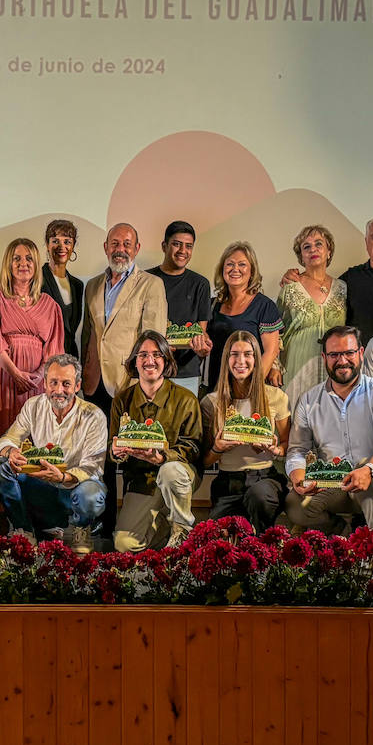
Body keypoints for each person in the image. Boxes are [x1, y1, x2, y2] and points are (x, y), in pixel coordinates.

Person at [81, 223, 168, 525]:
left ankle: (134, 522)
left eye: (127, 243)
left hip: (132, 382)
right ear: (106, 247)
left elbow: (154, 338)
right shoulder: (92, 285)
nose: (121, 249)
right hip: (96, 383)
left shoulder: (151, 284)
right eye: (115, 243)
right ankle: (102, 524)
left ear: (137, 248)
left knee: (134, 452)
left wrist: (144, 381)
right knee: (102, 454)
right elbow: (90, 335)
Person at [283, 326, 373, 534]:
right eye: (334, 354)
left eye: (349, 353)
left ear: (361, 353)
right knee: (295, 506)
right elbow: (297, 450)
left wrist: (369, 469)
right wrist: (299, 478)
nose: (342, 361)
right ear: (324, 357)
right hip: (331, 484)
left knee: (367, 474)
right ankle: (342, 532)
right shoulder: (309, 400)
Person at [0, 354, 108, 554]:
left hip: (74, 489)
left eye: (66, 384)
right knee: (4, 468)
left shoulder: (94, 415)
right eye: (53, 382)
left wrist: (63, 476)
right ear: (45, 383)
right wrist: (11, 451)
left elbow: (93, 467)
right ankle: (25, 530)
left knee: (91, 494)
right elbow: (5, 441)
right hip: (41, 487)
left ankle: (81, 528)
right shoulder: (33, 405)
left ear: (77, 385)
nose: (59, 390)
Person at [109, 331, 202, 551]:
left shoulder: (185, 399)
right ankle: (163, 527)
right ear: (134, 360)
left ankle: (181, 529)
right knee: (124, 545)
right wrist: (117, 452)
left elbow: (194, 447)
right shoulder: (122, 400)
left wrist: (161, 457)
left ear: (166, 360)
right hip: (142, 481)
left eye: (157, 355)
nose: (149, 361)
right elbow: (112, 447)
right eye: (143, 355)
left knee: (170, 471)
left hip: (180, 475)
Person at [286, 215, 373, 346]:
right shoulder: (350, 278)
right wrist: (295, 277)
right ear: (366, 241)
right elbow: (322, 291)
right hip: (357, 361)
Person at [0, 238, 64, 442]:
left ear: (36, 263)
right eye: (17, 259)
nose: (23, 263)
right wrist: (15, 374)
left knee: (33, 443)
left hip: (36, 383)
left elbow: (54, 352)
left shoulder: (50, 305)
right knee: (0, 440)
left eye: (29, 258)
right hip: (2, 378)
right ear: (8, 264)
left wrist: (38, 377)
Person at [201, 331, 291, 532]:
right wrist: (218, 448)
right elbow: (205, 460)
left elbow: (287, 446)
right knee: (220, 537)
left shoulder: (276, 397)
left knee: (259, 497)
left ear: (256, 358)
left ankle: (265, 541)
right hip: (227, 481)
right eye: (234, 354)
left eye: (248, 354)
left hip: (264, 478)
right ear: (226, 359)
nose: (241, 361)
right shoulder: (211, 402)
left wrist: (274, 450)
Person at [277, 225, 348, 408]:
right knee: (295, 419)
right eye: (306, 247)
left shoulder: (343, 287)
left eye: (319, 244)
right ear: (301, 256)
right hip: (296, 364)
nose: (313, 249)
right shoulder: (290, 287)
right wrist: (274, 366)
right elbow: (276, 330)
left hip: (332, 367)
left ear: (329, 251)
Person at [203, 241, 283, 395]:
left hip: (249, 389)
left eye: (242, 264)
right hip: (217, 387)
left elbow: (271, 351)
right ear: (222, 269)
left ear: (252, 271)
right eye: (230, 264)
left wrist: (251, 389)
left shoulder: (264, 306)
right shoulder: (212, 305)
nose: (235, 269)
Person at [146, 221, 212, 394]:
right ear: (164, 246)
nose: (183, 251)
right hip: (149, 368)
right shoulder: (145, 280)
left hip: (185, 372)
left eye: (188, 246)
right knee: (147, 421)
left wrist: (202, 346)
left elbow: (201, 331)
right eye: (176, 244)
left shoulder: (201, 284)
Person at [42, 219, 84, 358]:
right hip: (43, 357)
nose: (62, 247)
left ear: (73, 247)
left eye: (67, 241)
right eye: (55, 241)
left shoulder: (78, 286)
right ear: (47, 245)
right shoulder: (37, 280)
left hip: (69, 358)